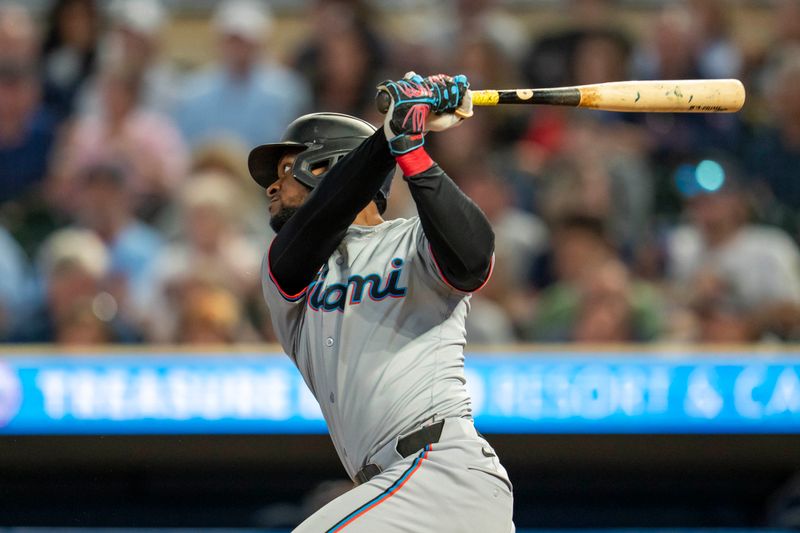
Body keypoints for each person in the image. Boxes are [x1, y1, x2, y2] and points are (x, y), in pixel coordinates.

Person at [250, 73, 514, 531]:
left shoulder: (413, 237)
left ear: (323, 164)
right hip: (394, 487)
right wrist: (390, 136)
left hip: (440, 470)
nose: (272, 189)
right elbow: (321, 219)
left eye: (286, 170)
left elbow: (473, 259)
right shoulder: (288, 265)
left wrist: (409, 148)